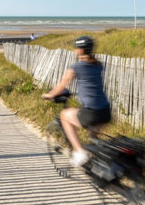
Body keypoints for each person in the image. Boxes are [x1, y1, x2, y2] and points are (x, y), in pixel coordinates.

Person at [42, 36, 111, 167]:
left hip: (92, 113)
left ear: (80, 50)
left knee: (64, 116)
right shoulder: (98, 65)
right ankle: (98, 162)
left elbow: (61, 86)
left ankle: (80, 152)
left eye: (76, 48)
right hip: (106, 112)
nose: (74, 51)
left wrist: (49, 95)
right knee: (93, 140)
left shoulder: (76, 67)